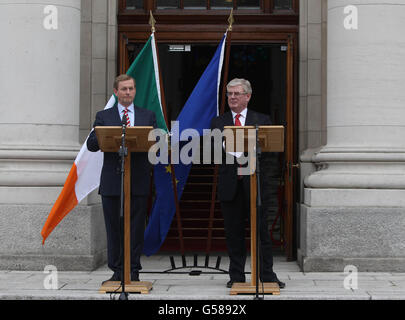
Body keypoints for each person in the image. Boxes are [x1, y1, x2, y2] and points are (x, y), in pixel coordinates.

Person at [210, 78, 285, 289]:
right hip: (230, 185)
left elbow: (270, 155)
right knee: (233, 234)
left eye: (236, 94)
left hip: (255, 185)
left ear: (247, 96)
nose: (232, 97)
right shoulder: (218, 122)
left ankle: (267, 276)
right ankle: (236, 276)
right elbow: (213, 153)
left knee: (261, 232)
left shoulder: (262, 120)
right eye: (229, 94)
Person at [87, 74, 157, 284]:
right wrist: (104, 136)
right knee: (114, 227)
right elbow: (91, 145)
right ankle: (117, 271)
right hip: (112, 181)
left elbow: (155, 145)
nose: (128, 92)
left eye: (131, 89)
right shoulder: (104, 116)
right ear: (116, 92)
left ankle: (133, 270)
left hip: (138, 180)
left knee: (135, 228)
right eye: (124, 89)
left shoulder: (148, 116)